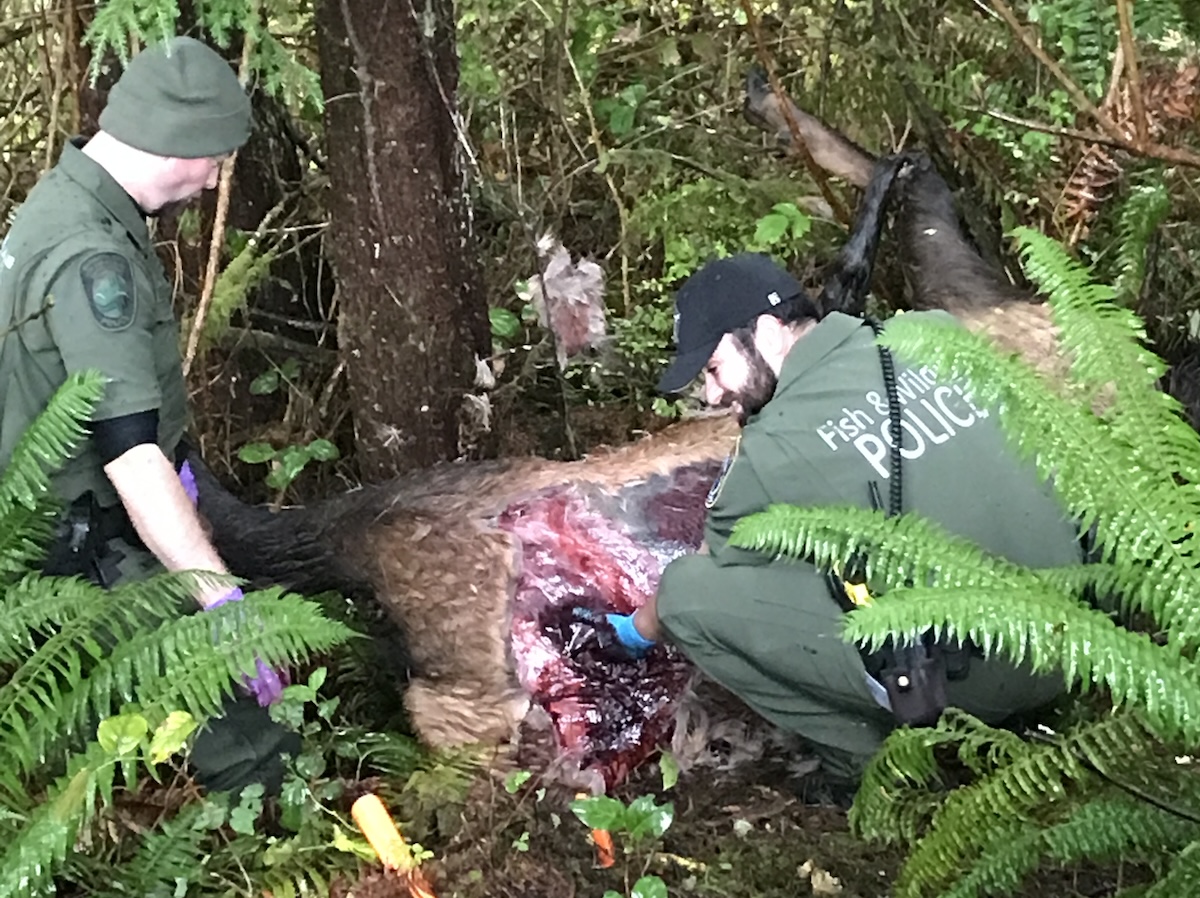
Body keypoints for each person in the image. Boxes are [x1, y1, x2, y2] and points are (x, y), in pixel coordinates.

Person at [598, 247, 1083, 792]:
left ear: (767, 330)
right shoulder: (931, 331)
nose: (712, 395)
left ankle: (862, 767)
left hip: (980, 683)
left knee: (687, 594)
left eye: (714, 368)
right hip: (1088, 641)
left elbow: (711, 574)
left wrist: (632, 633)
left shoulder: (773, 444)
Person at [0, 35, 298, 794]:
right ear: (179, 148)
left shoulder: (62, 199)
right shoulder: (92, 258)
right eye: (215, 158)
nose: (213, 178)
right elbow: (130, 456)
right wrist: (219, 604)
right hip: (77, 541)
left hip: (56, 516)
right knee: (254, 748)